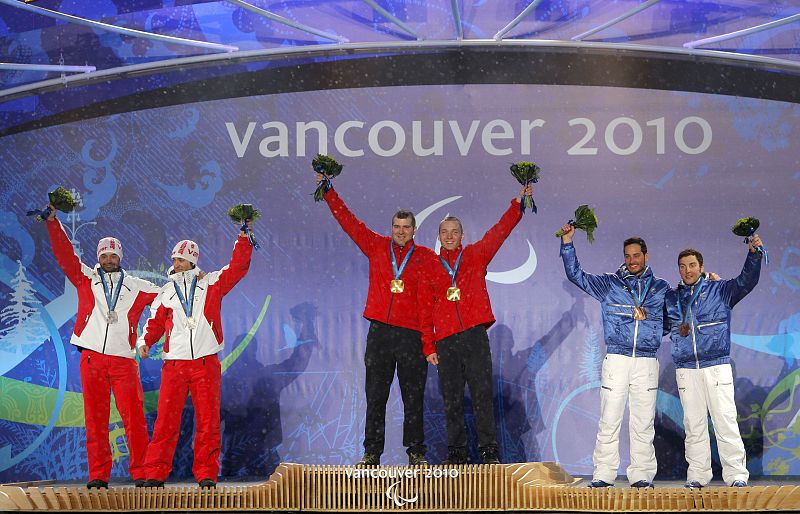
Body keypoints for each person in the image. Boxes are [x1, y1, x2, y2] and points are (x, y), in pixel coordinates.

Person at [318, 174, 438, 466]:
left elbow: (449, 279)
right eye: (396, 227)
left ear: (414, 230)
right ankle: (371, 453)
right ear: (391, 229)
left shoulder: (426, 257)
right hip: (380, 332)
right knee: (376, 396)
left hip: (411, 335)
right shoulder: (376, 246)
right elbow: (349, 222)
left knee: (413, 398)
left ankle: (416, 452)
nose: (400, 231)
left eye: (406, 227)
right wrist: (329, 192)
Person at [45, 205, 159, 489]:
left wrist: (194, 279)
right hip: (92, 358)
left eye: (113, 255)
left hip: (123, 360)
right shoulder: (85, 278)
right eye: (104, 255)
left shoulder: (136, 285)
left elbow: (168, 297)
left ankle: (142, 471)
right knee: (95, 420)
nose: (108, 259)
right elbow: (64, 255)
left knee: (134, 419)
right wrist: (53, 223)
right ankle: (98, 475)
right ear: (99, 257)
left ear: (120, 257)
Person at [420, 184, 531, 465]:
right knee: (452, 400)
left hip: (474, 336)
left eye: (454, 232)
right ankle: (457, 453)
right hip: (445, 340)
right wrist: (427, 345)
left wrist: (517, 204)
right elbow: (424, 309)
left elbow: (500, 232)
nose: (449, 236)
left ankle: (488, 451)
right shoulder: (431, 266)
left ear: (462, 236)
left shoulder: (475, 255)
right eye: (444, 232)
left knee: (482, 396)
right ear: (438, 237)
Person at [137, 226, 252, 488]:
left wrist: (243, 240)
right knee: (166, 422)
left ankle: (206, 473)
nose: (176, 264)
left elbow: (237, 268)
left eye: (180, 260)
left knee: (208, 422)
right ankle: (154, 472)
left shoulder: (211, 283)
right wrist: (146, 341)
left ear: (192, 260)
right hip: (174, 365)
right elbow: (155, 321)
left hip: (205, 363)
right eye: (174, 260)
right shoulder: (166, 291)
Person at [559, 228, 670, 488]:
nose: (632, 261)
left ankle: (641, 474)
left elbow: (672, 321)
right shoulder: (610, 284)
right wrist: (567, 243)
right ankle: (603, 474)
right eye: (628, 256)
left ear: (646, 256)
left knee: (643, 422)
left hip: (646, 361)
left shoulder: (661, 288)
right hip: (617, 359)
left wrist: (650, 323)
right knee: (609, 419)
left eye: (636, 255)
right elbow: (577, 276)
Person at [665, 235, 764, 489]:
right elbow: (661, 326)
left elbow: (746, 281)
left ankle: (736, 475)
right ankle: (698, 475)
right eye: (682, 266)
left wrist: (753, 254)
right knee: (694, 424)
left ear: (701, 267)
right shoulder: (672, 299)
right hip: (686, 369)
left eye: (692, 265)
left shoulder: (719, 290)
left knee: (725, 420)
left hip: (716, 365)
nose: (687, 270)